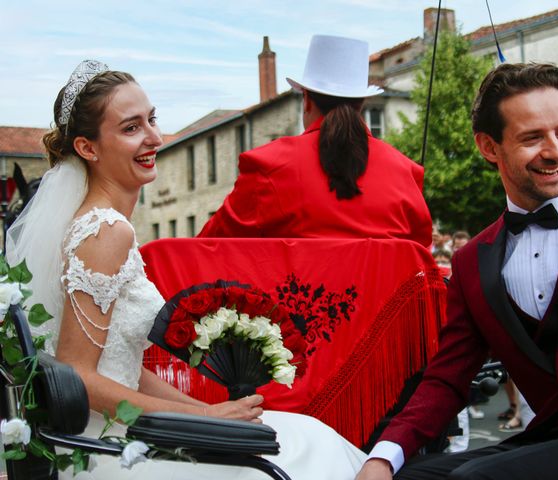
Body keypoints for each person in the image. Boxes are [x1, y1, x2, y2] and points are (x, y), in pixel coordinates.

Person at [6, 60, 365, 480]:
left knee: (305, 434)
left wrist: (208, 413)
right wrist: (202, 421)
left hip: (121, 428)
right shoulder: (105, 231)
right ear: (88, 148)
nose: (154, 138)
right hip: (111, 450)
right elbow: (80, 376)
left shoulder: (104, 224)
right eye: (131, 128)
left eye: (152, 120)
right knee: (310, 450)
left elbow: (119, 369)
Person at [356, 63, 558, 479]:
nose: (556, 151)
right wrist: (383, 456)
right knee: (409, 476)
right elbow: (447, 380)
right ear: (489, 147)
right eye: (533, 138)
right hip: (552, 438)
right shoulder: (473, 261)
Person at [198, 35, 432, 248]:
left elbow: (206, 249)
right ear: (362, 104)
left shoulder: (268, 167)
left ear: (307, 100)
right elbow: (419, 259)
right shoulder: (407, 173)